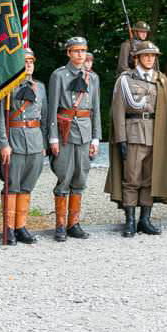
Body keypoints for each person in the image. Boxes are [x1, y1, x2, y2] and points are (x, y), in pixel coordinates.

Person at [105, 41, 167, 236]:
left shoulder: (161, 80)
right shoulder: (125, 80)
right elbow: (118, 111)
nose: (150, 58)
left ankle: (145, 220)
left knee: (150, 179)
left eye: (153, 56)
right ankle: (130, 220)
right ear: (137, 58)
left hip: (156, 134)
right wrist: (121, 139)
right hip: (134, 133)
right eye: (146, 55)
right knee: (132, 178)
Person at [48, 37, 101, 241]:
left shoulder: (92, 78)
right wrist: (52, 137)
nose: (80, 54)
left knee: (80, 176)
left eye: (83, 51)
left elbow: (95, 108)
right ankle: (60, 225)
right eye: (76, 51)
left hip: (85, 132)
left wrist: (96, 137)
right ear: (68, 52)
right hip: (64, 132)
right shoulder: (59, 75)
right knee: (64, 175)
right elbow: (52, 108)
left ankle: (74, 224)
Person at [0, 47, 48, 245]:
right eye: (25, 62)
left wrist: (44, 143)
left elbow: (45, 117)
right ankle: (8, 229)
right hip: (14, 139)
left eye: (31, 62)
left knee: (27, 184)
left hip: (34, 140)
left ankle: (20, 226)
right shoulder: (7, 88)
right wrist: (3, 143)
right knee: (12, 184)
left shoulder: (39, 87)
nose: (29, 65)